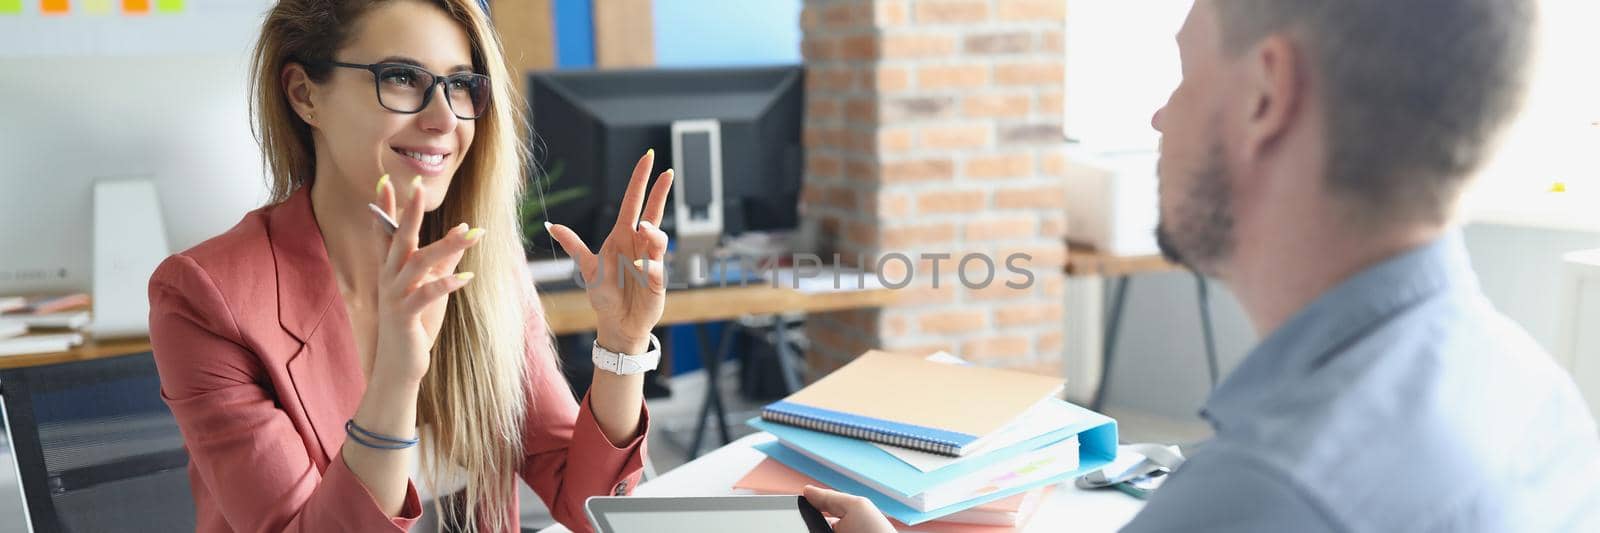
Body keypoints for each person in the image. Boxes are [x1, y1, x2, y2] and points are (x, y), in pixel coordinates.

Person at [808, 0, 1600, 531]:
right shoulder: (1533, 387)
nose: (1159, 113)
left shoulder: (1268, 493)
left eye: (1184, 72)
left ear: (1265, 94)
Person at [146, 1, 673, 531]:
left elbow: (587, 505)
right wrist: (395, 379)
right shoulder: (209, 298)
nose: (444, 118)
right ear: (305, 95)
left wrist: (622, 346)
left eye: (462, 84)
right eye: (400, 77)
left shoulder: (481, 263)